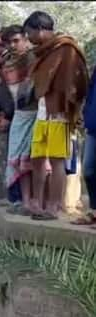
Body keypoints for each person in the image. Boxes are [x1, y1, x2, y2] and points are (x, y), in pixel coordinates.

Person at [24, 11, 88, 220]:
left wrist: (69, 106)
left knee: (57, 159)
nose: (29, 38)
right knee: (37, 157)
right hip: (43, 110)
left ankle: (53, 207)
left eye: (30, 33)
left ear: (41, 30)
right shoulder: (45, 51)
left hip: (59, 111)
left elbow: (75, 82)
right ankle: (36, 203)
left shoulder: (67, 49)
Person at [0, 25, 37, 216]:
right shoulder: (7, 62)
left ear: (25, 38)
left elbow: (30, 88)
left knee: (31, 160)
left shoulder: (32, 57)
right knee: (18, 160)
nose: (13, 45)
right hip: (20, 114)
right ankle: (23, 201)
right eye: (10, 42)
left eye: (17, 40)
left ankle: (33, 202)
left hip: (35, 113)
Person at [74, 59, 96, 226]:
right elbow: (91, 93)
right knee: (88, 170)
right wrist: (85, 113)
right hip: (93, 127)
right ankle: (94, 211)